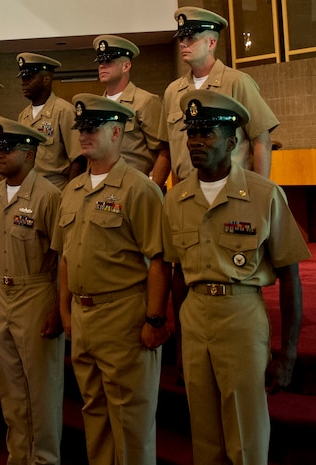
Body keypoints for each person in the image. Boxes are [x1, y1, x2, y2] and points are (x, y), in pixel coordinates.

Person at [162, 90, 311, 465]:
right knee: (205, 439)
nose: (195, 142)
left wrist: (289, 352)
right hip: (194, 319)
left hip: (241, 316)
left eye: (206, 134)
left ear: (231, 142)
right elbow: (178, 274)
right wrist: (180, 345)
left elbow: (290, 275)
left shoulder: (265, 195)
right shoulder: (175, 200)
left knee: (247, 439)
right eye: (191, 134)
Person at [52, 94, 170, 465]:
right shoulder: (70, 192)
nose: (84, 135)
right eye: (81, 128)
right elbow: (65, 259)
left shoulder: (139, 189)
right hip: (84, 319)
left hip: (123, 316)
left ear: (117, 132)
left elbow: (159, 259)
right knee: (95, 415)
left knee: (131, 422)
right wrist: (66, 312)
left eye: (93, 128)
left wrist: (154, 319)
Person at [0, 118, 65, 464]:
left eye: (8, 149)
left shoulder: (49, 196)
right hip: (4, 296)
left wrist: (59, 309)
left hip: (37, 293)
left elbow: (63, 257)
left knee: (42, 391)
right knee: (12, 391)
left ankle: (44, 458)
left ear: (29, 154)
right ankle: (19, 456)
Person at [160, 6, 279, 183]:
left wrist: (259, 193)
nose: (183, 43)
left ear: (211, 43)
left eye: (191, 37)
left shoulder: (237, 82)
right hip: (187, 193)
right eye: (181, 38)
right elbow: (172, 151)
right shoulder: (173, 91)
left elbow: (262, 140)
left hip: (230, 189)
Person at [92, 34, 170, 190]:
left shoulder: (145, 101)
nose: (102, 66)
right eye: (100, 62)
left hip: (134, 187)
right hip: (101, 187)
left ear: (126, 66)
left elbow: (164, 152)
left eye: (108, 61)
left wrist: (152, 190)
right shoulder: (96, 107)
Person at [16, 52, 84, 190]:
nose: (24, 82)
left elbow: (79, 159)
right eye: (23, 77)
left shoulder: (63, 111)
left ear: (46, 79)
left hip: (55, 188)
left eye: (30, 77)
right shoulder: (23, 116)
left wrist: (70, 194)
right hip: (28, 189)